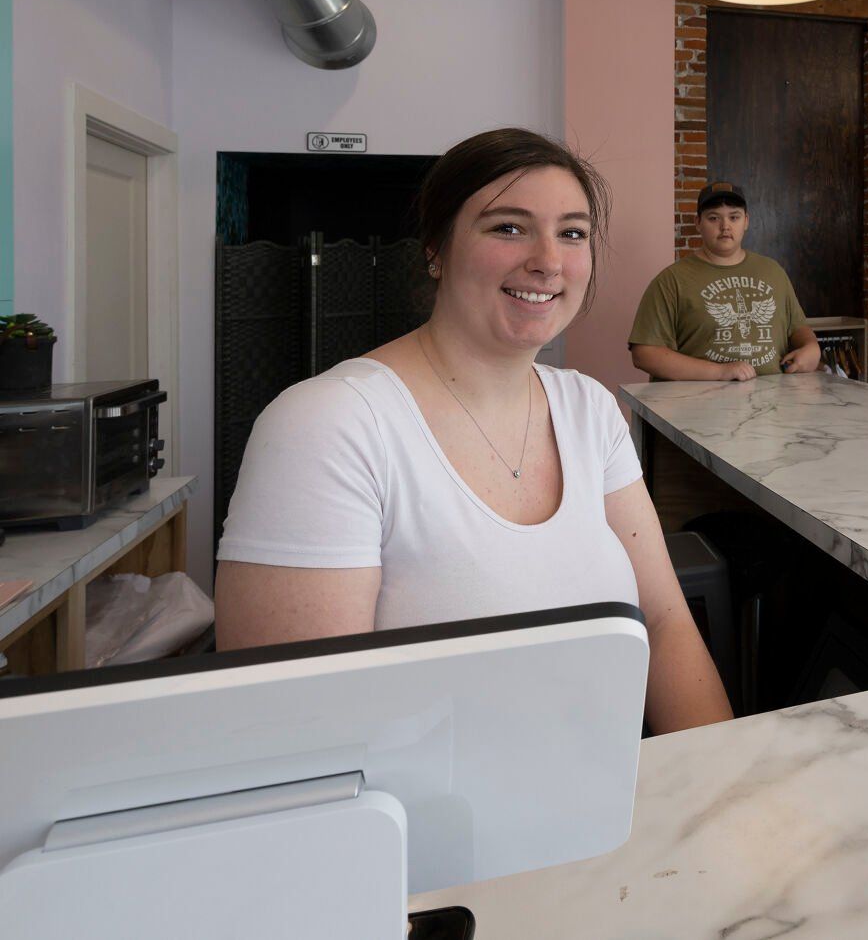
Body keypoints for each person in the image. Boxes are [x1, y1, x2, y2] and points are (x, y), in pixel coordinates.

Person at [214, 129, 732, 734]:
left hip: (611, 805)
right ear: (436, 247)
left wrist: (717, 793)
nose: (548, 260)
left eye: (572, 232)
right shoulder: (329, 425)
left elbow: (665, 621)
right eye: (508, 227)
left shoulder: (591, 410)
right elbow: (293, 729)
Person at [628, 181, 822, 381]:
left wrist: (811, 348)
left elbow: (798, 328)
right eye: (713, 218)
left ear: (746, 221)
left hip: (771, 403)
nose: (725, 226)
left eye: (734, 217)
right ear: (698, 223)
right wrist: (720, 372)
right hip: (697, 406)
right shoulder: (671, 281)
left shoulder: (773, 272)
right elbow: (644, 354)